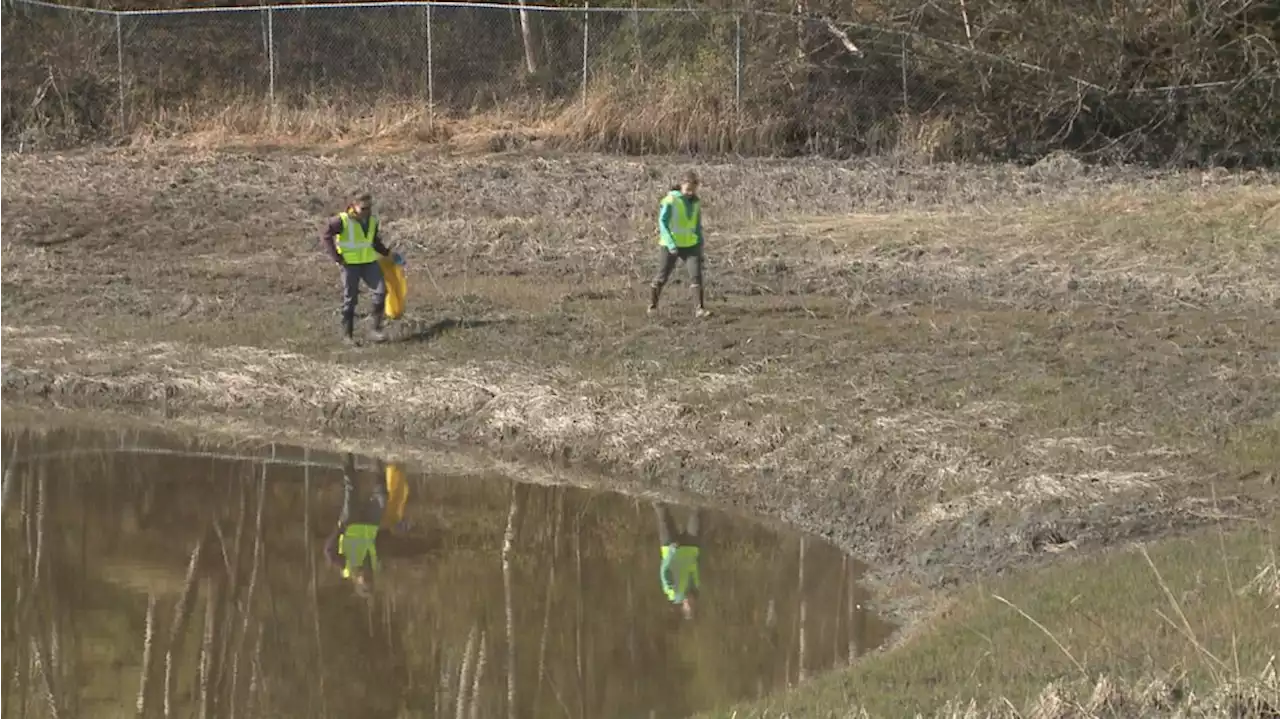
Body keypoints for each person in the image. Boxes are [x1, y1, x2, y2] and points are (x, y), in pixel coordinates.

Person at [321, 191, 398, 345]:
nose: (367, 211)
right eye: (363, 208)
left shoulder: (372, 221)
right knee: (350, 298)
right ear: (353, 206)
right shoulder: (341, 220)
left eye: (369, 208)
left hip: (369, 262)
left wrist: (388, 253)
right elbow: (326, 235)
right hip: (349, 264)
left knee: (381, 291)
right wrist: (337, 257)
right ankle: (347, 336)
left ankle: (374, 330)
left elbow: (374, 241)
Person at [325, 453, 390, 597]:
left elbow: (329, 550)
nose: (367, 577)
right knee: (382, 498)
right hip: (369, 525)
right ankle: (377, 460)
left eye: (364, 581)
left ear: (357, 582)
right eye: (370, 580)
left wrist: (339, 530)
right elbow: (377, 546)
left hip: (350, 524)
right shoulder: (374, 566)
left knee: (352, 489)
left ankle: (347, 456)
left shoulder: (345, 566)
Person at [648, 170, 711, 318]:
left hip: (691, 245)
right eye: (688, 190)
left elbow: (696, 224)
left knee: (696, 276)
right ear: (681, 186)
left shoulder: (696, 203)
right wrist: (670, 244)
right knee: (662, 276)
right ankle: (652, 306)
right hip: (671, 245)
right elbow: (662, 223)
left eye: (693, 190)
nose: (690, 193)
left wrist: (700, 242)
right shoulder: (670, 200)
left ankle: (699, 309)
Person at [654, 501, 701, 619]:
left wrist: (671, 552)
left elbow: (664, 571)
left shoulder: (674, 593)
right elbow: (695, 565)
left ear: (683, 606)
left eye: (688, 605)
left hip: (670, 547)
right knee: (697, 512)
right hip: (690, 547)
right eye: (693, 605)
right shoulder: (696, 587)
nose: (691, 602)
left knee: (662, 511)